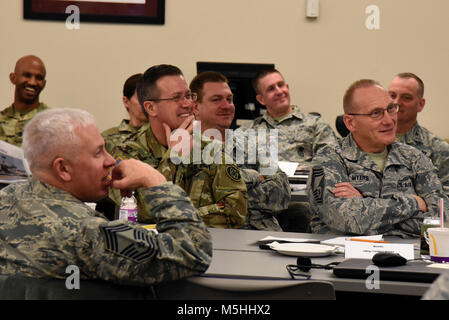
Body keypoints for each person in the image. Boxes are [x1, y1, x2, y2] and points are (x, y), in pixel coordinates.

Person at [0, 108, 212, 285]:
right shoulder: (87, 233)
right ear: (63, 168)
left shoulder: (6, 198)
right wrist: (155, 180)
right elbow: (193, 252)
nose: (111, 160)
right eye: (98, 152)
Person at [111, 64, 247, 229]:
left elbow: (235, 211)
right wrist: (173, 157)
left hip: (209, 247)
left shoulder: (210, 148)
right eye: (177, 98)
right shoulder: (126, 152)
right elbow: (140, 211)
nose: (188, 104)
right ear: (151, 107)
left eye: (188, 95)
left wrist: (179, 216)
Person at [308, 79, 449, 236]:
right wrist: (415, 202)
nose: (389, 120)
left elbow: (441, 219)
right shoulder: (328, 161)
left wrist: (364, 203)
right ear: (350, 123)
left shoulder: (414, 157)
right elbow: (347, 219)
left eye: (390, 109)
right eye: (376, 113)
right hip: (346, 256)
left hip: (411, 256)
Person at [190, 71, 290, 231]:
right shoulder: (186, 149)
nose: (226, 105)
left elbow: (282, 193)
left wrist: (226, 197)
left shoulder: (251, 143)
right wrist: (256, 177)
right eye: (216, 100)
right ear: (195, 107)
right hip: (214, 241)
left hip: (266, 239)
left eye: (229, 99)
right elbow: (192, 206)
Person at [246, 68, 338, 168]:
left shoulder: (317, 125)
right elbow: (239, 174)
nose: (279, 91)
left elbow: (331, 164)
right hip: (264, 183)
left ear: (287, 87)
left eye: (280, 85)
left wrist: (294, 170)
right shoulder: (248, 132)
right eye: (271, 89)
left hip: (306, 182)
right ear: (261, 99)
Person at [388, 72, 449, 197]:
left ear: (420, 104)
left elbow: (444, 202)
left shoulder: (438, 149)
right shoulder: (369, 141)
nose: (397, 102)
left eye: (406, 98)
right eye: (392, 96)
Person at [0, 55, 49, 146]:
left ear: (44, 84)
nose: (32, 82)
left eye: (39, 78)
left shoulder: (53, 122)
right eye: (27, 75)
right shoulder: (1, 119)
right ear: (13, 78)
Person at [102, 73, 147, 154]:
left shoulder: (161, 135)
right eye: (141, 98)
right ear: (126, 101)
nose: (146, 104)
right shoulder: (107, 138)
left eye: (151, 98)